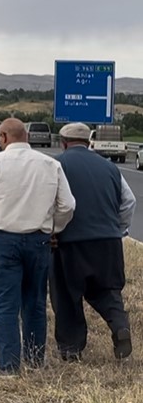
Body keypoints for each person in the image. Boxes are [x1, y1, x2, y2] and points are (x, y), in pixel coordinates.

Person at [0, 118, 75, 375]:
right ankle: (35, 359)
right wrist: (53, 229)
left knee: (5, 305)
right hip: (38, 240)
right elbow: (68, 205)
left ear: (3, 137)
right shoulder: (51, 164)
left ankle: (8, 365)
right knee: (35, 302)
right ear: (26, 136)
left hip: (3, 240)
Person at [51, 122, 135, 361]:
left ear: (63, 142)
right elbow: (128, 203)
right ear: (89, 142)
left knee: (67, 296)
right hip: (108, 241)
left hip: (70, 242)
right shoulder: (109, 167)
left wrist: (52, 232)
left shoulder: (57, 165)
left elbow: (50, 203)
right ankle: (119, 325)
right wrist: (116, 229)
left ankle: (71, 349)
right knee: (108, 290)